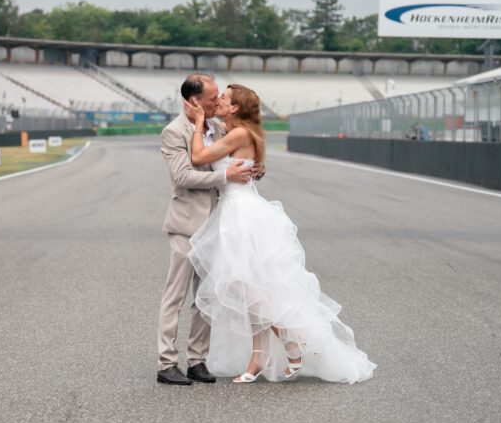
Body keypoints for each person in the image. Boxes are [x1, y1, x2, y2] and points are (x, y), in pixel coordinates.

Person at [184, 85, 376, 384]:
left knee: (252, 290)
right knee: (249, 289)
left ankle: (289, 343)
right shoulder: (237, 130)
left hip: (242, 215)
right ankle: (262, 355)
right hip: (236, 212)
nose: (219, 99)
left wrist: (197, 124)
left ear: (235, 108)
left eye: (224, 98)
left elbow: (198, 157)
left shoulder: (240, 134)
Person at [156, 74, 265, 386]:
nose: (218, 102)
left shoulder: (218, 127)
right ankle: (166, 363)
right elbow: (182, 176)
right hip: (186, 223)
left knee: (205, 297)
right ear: (194, 101)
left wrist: (254, 167)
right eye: (212, 98)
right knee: (174, 296)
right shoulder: (174, 131)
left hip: (219, 223)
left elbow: (238, 153)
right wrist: (226, 177)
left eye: (220, 97)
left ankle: (197, 360)